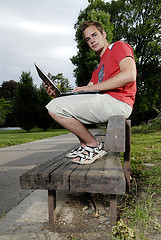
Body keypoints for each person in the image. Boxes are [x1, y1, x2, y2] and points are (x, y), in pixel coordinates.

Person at [45, 21, 137, 165]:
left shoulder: (118, 46)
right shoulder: (98, 68)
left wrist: (92, 88)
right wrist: (57, 95)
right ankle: (85, 146)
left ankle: (93, 145)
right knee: (56, 105)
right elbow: (82, 97)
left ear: (104, 34)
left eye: (94, 35)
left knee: (54, 107)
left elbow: (130, 75)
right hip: (108, 101)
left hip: (119, 102)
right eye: (88, 39)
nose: (92, 40)